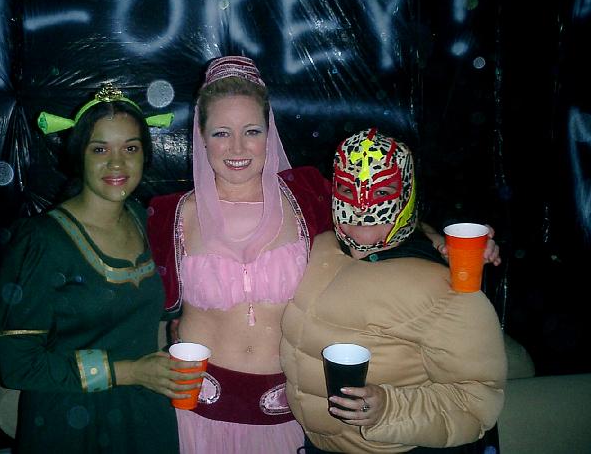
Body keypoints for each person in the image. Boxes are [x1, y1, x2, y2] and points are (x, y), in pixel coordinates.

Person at [147, 56, 501, 454]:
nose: (238, 147)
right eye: (221, 133)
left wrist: (438, 240)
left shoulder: (306, 196)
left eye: (252, 131)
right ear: (200, 135)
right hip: (196, 411)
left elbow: (374, 213)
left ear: (269, 133)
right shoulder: (169, 215)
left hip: (288, 417)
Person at [0, 87, 203, 453]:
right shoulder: (42, 242)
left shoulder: (145, 220)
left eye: (131, 148)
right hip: (71, 421)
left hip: (144, 412)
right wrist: (130, 371)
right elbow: (19, 365)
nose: (117, 163)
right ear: (79, 155)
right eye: (100, 149)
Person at [280, 127, 507, 453]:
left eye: (383, 190)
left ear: (406, 195)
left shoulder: (443, 289)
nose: (362, 207)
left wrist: (389, 408)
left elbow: (476, 401)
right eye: (347, 188)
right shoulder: (321, 245)